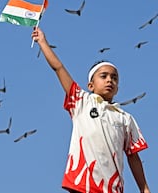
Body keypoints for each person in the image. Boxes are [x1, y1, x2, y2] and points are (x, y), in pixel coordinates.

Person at [31, 27, 151, 193]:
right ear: (91, 85)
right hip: (82, 184)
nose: (110, 80)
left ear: (118, 88)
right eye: (104, 76)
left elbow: (133, 156)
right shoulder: (82, 101)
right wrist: (43, 42)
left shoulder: (125, 118)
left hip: (112, 188)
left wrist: (144, 189)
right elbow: (58, 68)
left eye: (114, 78)